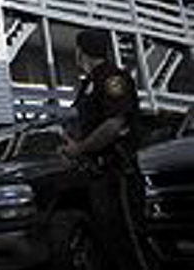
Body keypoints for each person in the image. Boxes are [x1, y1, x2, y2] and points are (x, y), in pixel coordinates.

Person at [62, 29, 154, 270]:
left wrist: (80, 148)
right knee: (108, 244)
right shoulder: (88, 84)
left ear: (81, 52)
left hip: (118, 173)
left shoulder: (113, 78)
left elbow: (115, 124)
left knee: (129, 241)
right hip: (98, 175)